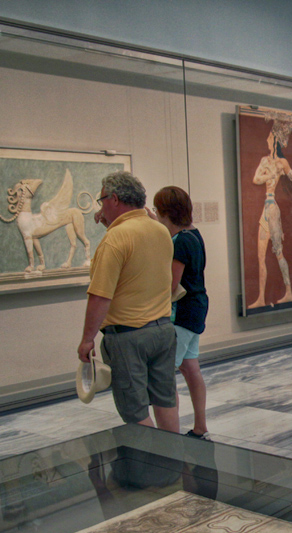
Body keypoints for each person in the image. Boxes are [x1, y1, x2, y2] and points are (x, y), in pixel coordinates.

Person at [77, 171, 179, 433]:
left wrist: (88, 339)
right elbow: (137, 256)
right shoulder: (160, 231)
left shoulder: (115, 239)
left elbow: (100, 295)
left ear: (113, 199)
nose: (100, 208)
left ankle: (154, 465)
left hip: (129, 337)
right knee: (165, 400)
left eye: (101, 201)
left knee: (134, 411)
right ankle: (174, 460)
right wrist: (111, 226)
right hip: (163, 331)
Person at [150, 186, 210, 440]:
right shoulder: (193, 234)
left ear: (165, 212)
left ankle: (169, 435)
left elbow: (171, 284)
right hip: (196, 309)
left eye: (157, 211)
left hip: (181, 314)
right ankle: (200, 427)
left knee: (164, 376)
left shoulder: (180, 242)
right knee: (189, 367)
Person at [248, 112, 292, 310]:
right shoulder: (265, 161)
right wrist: (269, 173)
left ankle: (289, 293)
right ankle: (261, 298)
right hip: (266, 208)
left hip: (272, 210)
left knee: (278, 253)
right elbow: (256, 179)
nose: (267, 139)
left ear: (276, 139)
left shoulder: (282, 163)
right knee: (260, 256)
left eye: (271, 136)